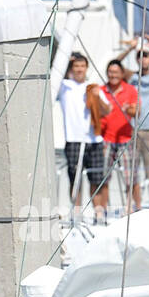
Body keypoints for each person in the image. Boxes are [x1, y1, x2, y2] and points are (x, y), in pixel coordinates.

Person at [121, 37, 149, 210]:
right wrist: (131, 48)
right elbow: (115, 64)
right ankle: (133, 204)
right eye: (140, 55)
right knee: (131, 172)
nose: (143, 58)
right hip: (132, 129)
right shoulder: (130, 76)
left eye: (146, 55)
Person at [58, 52, 104, 215]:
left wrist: (98, 99)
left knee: (96, 179)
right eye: (76, 66)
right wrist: (65, 61)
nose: (79, 69)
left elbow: (107, 111)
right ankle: (77, 212)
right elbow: (54, 74)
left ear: (86, 68)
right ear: (72, 68)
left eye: (82, 66)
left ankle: (98, 213)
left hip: (94, 139)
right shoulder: (63, 86)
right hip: (73, 139)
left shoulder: (92, 86)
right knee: (74, 179)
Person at [95, 59, 140, 216]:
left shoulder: (131, 90)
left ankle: (133, 208)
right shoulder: (100, 90)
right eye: (110, 72)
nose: (113, 75)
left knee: (131, 177)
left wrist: (130, 110)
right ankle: (102, 211)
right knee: (104, 177)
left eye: (116, 72)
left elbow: (137, 112)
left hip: (126, 139)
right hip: (105, 139)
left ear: (122, 74)